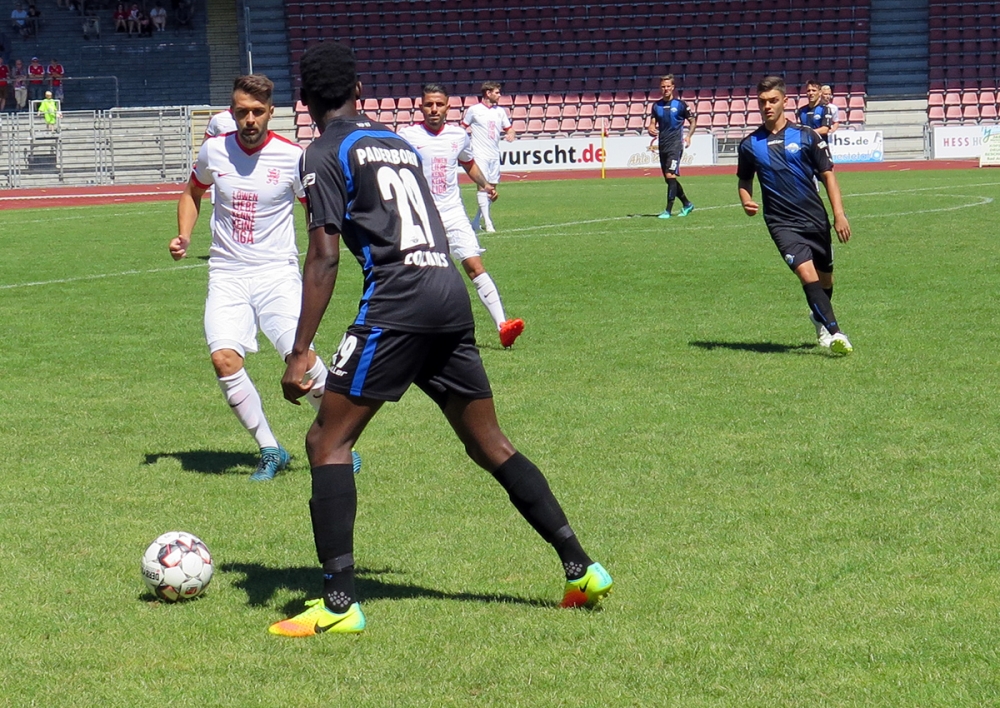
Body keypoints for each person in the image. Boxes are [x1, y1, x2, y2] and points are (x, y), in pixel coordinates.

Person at [268, 41, 612, 638]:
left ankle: (339, 603)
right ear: (359, 92)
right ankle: (581, 568)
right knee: (490, 443)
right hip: (448, 293)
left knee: (326, 440)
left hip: (397, 301)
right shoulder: (398, 143)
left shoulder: (321, 152)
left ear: (305, 101)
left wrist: (300, 351)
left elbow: (323, 257)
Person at [169, 74, 347, 481]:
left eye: (257, 112)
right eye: (241, 112)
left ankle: (340, 442)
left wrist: (323, 255)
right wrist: (184, 235)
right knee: (223, 358)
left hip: (277, 275)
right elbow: (193, 192)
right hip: (227, 273)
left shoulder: (293, 156)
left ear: (270, 112)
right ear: (231, 113)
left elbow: (314, 210)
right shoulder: (214, 150)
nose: (249, 120)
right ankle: (270, 449)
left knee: (302, 359)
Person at [398, 84, 526, 349]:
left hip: (453, 213)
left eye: (439, 104)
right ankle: (415, 332)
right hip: (421, 217)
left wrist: (485, 185)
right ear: (421, 107)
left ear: (448, 107)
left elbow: (468, 163)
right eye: (429, 104)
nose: (434, 109)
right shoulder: (407, 136)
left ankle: (503, 326)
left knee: (475, 266)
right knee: (422, 276)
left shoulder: (458, 136)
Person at [737, 75, 853, 355]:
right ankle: (836, 333)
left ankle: (818, 316)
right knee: (806, 273)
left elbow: (828, 175)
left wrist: (839, 215)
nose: (767, 106)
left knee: (826, 280)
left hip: (814, 218)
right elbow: (744, 180)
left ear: (785, 101)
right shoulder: (750, 145)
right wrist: (746, 199)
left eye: (773, 100)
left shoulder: (806, 136)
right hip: (781, 223)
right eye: (762, 102)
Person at [460, 80, 514, 232]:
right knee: (483, 187)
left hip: (494, 154)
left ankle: (477, 221)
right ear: (488, 93)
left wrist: (511, 134)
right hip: (479, 153)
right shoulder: (474, 110)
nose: (499, 95)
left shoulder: (500, 111)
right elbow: (463, 128)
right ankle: (488, 223)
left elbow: (509, 128)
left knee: (492, 189)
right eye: (497, 92)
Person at [648, 74, 695, 219]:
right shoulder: (656, 106)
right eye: (663, 86)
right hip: (663, 145)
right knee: (669, 179)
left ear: (673, 87)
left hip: (675, 145)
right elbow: (652, 123)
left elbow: (693, 121)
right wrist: (650, 128)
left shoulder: (681, 105)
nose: (666, 89)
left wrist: (688, 136)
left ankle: (668, 210)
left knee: (670, 175)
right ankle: (687, 204)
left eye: (668, 86)